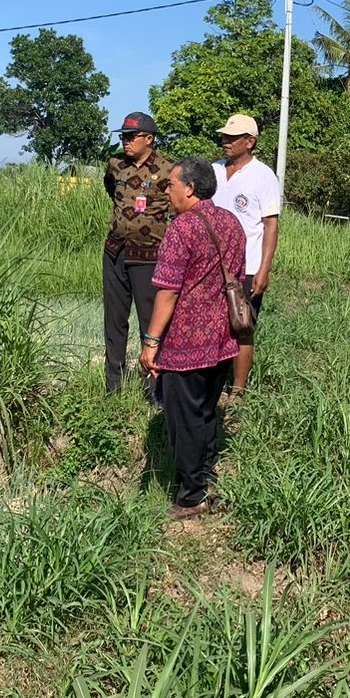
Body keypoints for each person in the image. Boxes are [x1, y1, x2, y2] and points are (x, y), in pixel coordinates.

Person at [138, 157, 244, 520]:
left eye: (171, 184)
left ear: (191, 188)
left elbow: (168, 291)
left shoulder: (181, 228)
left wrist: (151, 341)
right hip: (224, 339)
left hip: (186, 342)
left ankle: (191, 496)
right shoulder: (231, 222)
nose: (166, 191)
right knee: (206, 412)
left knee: (184, 420)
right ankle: (208, 480)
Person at [101, 111, 173, 398]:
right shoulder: (115, 165)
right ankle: (113, 386)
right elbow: (111, 190)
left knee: (150, 323)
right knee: (114, 320)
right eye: (123, 137)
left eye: (131, 137)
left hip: (149, 258)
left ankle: (153, 389)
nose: (126, 142)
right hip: (115, 252)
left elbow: (178, 206)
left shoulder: (167, 170)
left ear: (149, 139)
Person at [211, 113, 281, 398]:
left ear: (249, 141)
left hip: (246, 267)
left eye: (232, 138)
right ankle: (212, 386)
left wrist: (264, 269)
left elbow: (270, 225)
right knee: (212, 325)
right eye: (224, 137)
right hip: (211, 265)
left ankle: (237, 391)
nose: (225, 142)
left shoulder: (263, 176)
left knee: (241, 326)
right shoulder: (214, 171)